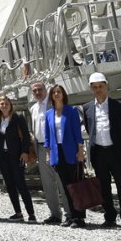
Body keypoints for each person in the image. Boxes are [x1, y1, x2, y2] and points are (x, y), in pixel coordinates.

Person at [83, 72, 121, 229]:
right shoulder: (87, 108)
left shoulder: (119, 106)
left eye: (101, 86)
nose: (98, 90)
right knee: (104, 188)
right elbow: (89, 128)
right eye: (95, 87)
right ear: (91, 89)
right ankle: (110, 217)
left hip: (117, 152)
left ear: (106, 86)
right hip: (99, 153)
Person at [44, 84, 86, 228]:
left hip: (71, 151)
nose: (56, 94)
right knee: (66, 186)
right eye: (54, 92)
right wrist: (49, 154)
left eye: (59, 92)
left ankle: (79, 217)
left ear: (63, 94)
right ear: (51, 96)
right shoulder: (48, 114)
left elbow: (77, 132)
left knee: (75, 184)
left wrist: (80, 150)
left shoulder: (71, 110)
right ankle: (71, 216)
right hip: (57, 152)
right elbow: (48, 136)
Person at [30, 81, 70, 224]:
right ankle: (55, 214)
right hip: (41, 148)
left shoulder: (53, 104)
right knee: (47, 183)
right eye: (34, 90)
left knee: (61, 180)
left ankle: (69, 213)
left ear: (46, 90)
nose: (37, 92)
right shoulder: (33, 108)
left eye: (40, 89)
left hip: (55, 147)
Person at [0, 95, 36, 222]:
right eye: (1, 104)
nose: (4, 106)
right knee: (10, 185)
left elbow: (26, 136)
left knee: (21, 184)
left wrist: (24, 152)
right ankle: (18, 213)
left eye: (6, 103)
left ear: (10, 105)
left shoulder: (18, 118)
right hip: (3, 157)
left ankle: (31, 214)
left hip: (16, 156)